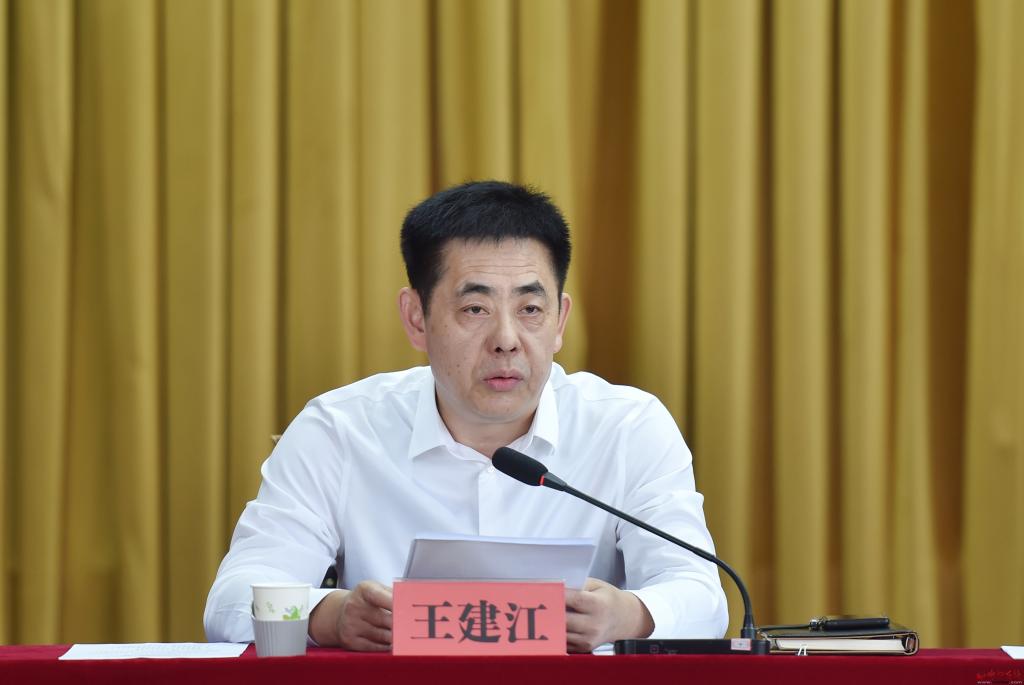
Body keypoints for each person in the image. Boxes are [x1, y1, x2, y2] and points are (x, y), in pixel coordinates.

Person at [204, 181, 728, 652]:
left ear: (561, 320)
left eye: (530, 310)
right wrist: (330, 617)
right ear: (416, 318)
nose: (506, 340)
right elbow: (231, 600)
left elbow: (701, 596)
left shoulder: (628, 428)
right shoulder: (339, 430)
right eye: (475, 309)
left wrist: (628, 615)